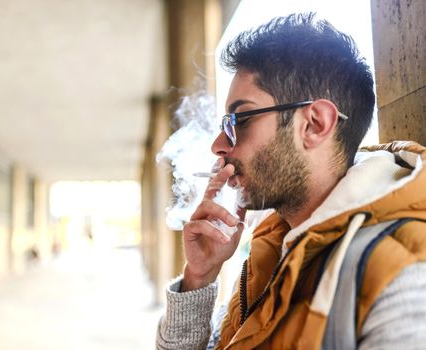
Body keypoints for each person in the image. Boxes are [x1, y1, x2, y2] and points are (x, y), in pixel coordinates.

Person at [156, 13, 426, 349]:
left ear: (314, 124)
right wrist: (199, 277)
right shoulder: (274, 248)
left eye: (239, 120)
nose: (218, 146)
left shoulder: (405, 281)